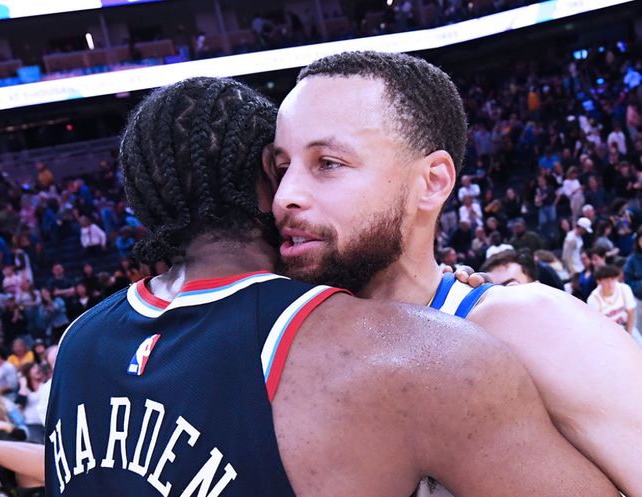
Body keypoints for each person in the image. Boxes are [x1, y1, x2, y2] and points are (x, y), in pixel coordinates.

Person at [37, 78, 617, 496]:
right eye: (285, 166)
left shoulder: (79, 342)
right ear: (267, 181)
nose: (295, 191)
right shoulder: (419, 355)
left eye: (326, 164)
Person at [271, 50, 642, 497]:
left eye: (328, 163)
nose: (285, 195)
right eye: (281, 168)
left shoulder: (531, 325)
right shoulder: (272, 347)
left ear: (432, 182)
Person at [588, 265, 637, 335]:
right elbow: (596, 325)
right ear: (599, 281)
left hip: (627, 328)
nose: (610, 284)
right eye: (607, 281)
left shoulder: (624, 288)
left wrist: (629, 334)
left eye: (613, 279)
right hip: (608, 334)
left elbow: (631, 313)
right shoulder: (593, 299)